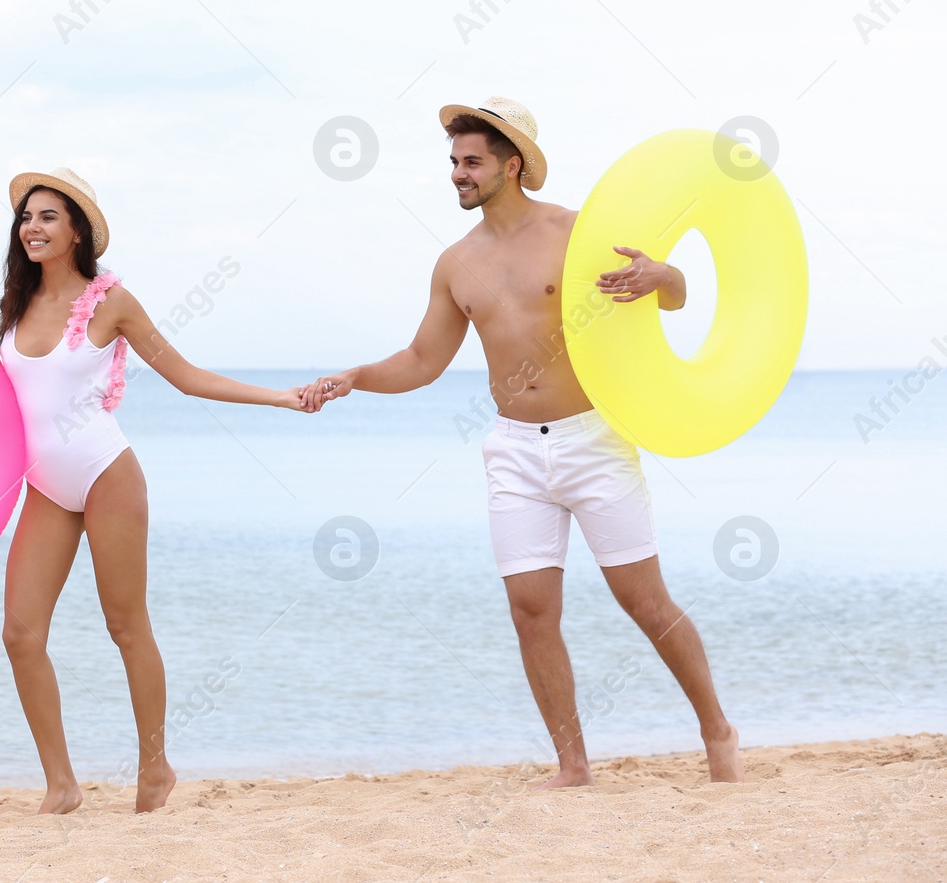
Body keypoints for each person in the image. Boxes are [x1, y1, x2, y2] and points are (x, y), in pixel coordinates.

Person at [301, 97, 744, 786]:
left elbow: (676, 292)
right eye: (453, 162)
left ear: (512, 164)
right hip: (513, 450)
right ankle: (573, 765)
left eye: (471, 160)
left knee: (645, 601)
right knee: (532, 611)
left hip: (593, 439)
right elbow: (422, 360)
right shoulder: (455, 264)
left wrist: (666, 278)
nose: (457, 173)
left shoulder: (577, 232)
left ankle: (717, 728)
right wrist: (355, 376)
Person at [0, 166, 305, 814]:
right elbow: (0, 408)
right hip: (45, 486)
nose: (31, 227)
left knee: (125, 624)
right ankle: (62, 784)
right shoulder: (15, 305)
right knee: (20, 633)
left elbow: (184, 374)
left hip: (104, 474)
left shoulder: (109, 299)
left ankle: (156, 766)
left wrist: (281, 397)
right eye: (26, 217)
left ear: (76, 231)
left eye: (47, 217)